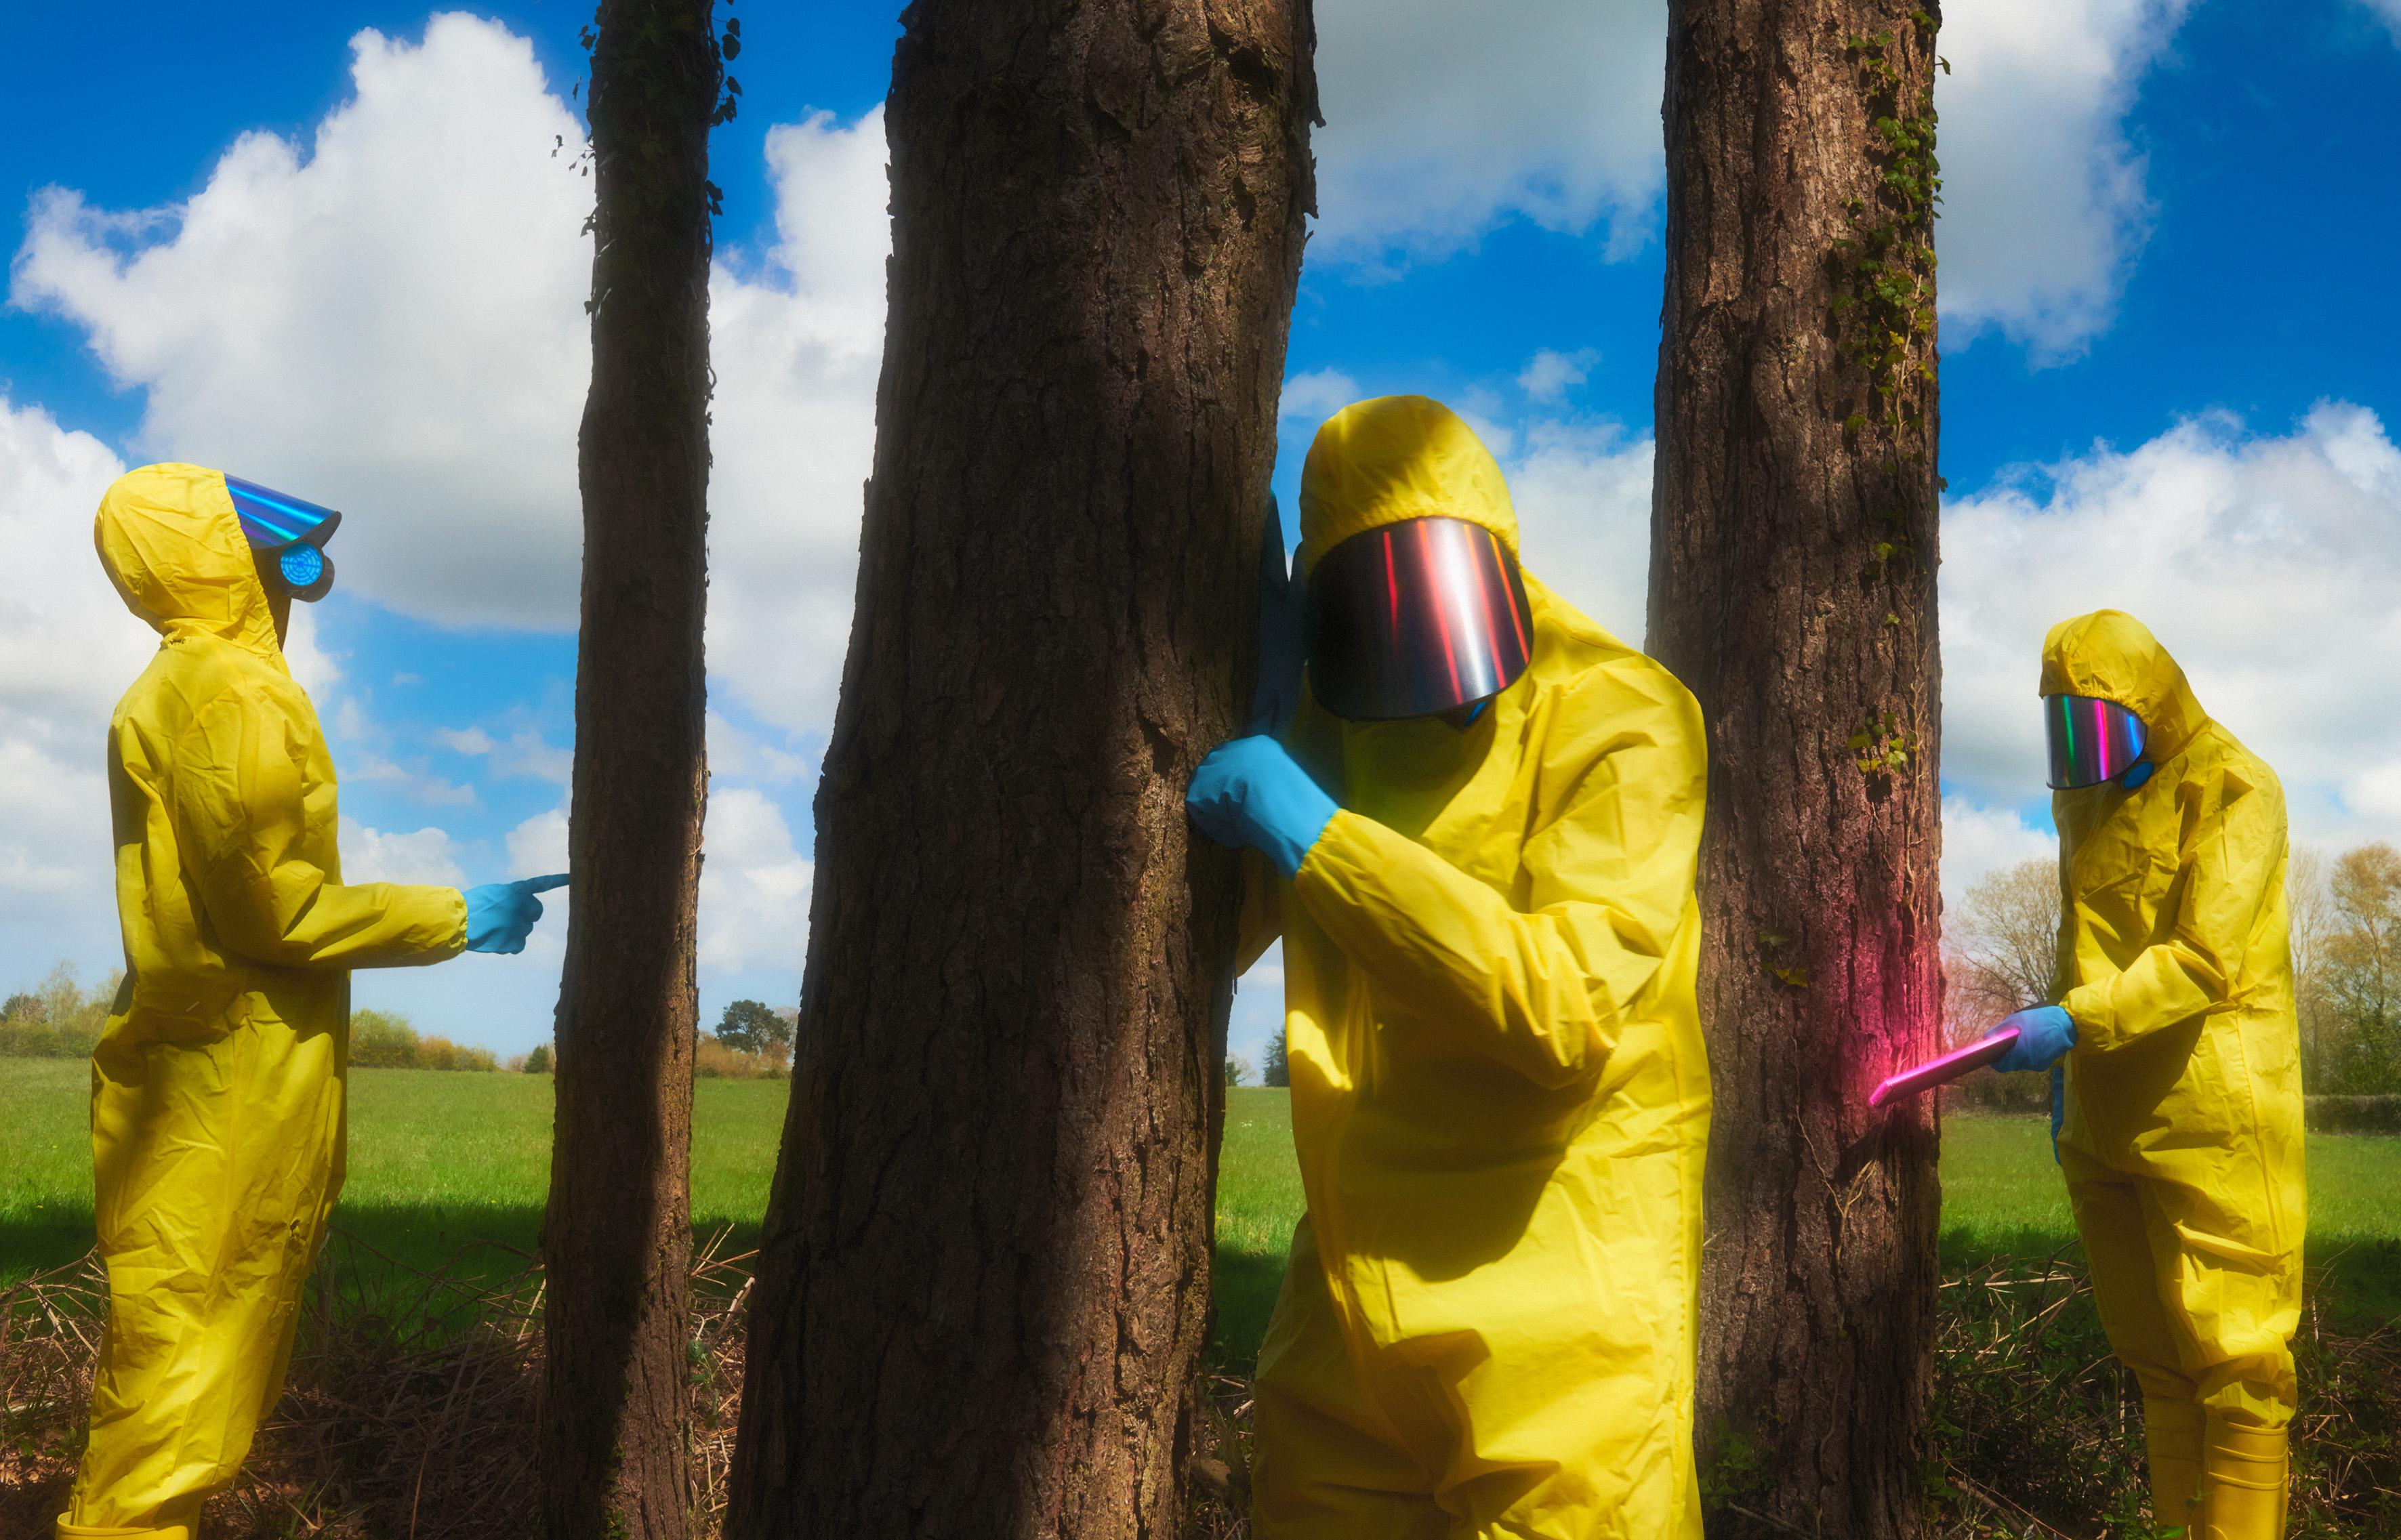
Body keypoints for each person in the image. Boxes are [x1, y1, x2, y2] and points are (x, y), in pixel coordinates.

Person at [1187, 396, 1711, 1539]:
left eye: (1443, 581)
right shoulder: (1332, 721)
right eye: (1372, 603)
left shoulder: (1623, 715)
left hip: (1565, 1315)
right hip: (1351, 1313)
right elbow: (1193, 954)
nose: (1425, 642)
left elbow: (1562, 1010)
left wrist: (1312, 833)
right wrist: (1256, 709)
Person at [61, 463, 566, 1540]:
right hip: (228, 1100)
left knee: (180, 1378)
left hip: (205, 1085)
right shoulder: (226, 692)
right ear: (215, 556)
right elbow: (271, 911)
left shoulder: (181, 685)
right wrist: (456, 916)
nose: (298, 571)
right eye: (265, 542)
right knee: (181, 1399)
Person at [1985, 609, 2303, 1540]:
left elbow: (2205, 959)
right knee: (2157, 1360)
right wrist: (2061, 1074)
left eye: (2097, 721)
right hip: (2104, 1113)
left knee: (2239, 1360)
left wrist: (2069, 1025)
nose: (2077, 748)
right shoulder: (2082, 800)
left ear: (2152, 704)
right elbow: (2076, 938)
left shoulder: (2236, 785)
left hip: (2216, 1116)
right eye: (2061, 725)